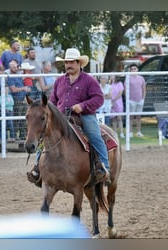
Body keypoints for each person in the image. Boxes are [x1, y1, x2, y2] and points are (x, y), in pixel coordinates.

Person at [27, 48, 110, 186]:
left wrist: (82, 106)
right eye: (66, 62)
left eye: (71, 62)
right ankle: (37, 168)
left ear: (79, 63)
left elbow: (98, 98)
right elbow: (53, 100)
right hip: (61, 117)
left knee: (94, 136)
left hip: (84, 116)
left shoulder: (89, 81)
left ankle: (104, 169)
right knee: (44, 136)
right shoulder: (60, 81)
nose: (68, 65)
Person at [7, 60, 31, 141]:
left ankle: (22, 135)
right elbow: (13, 89)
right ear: (10, 68)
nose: (15, 68)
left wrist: (25, 93)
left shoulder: (18, 76)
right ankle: (14, 136)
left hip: (23, 99)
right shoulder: (10, 77)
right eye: (13, 67)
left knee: (24, 118)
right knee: (16, 119)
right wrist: (23, 88)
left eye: (16, 67)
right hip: (17, 100)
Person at [125, 63, 146, 137]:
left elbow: (143, 88)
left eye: (135, 69)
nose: (133, 70)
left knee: (138, 117)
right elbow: (125, 89)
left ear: (137, 69)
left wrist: (143, 98)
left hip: (140, 100)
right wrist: (128, 99)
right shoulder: (128, 78)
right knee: (131, 116)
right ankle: (130, 132)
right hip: (131, 100)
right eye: (132, 69)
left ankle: (138, 131)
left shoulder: (141, 78)